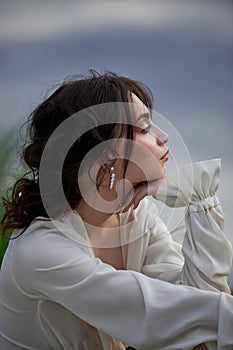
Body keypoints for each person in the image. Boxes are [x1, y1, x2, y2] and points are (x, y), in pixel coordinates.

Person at [0, 70, 232, 350]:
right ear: (106, 152)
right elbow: (167, 315)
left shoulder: (137, 218)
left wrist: (198, 201)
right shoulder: (42, 250)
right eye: (144, 128)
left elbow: (197, 308)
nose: (164, 136)